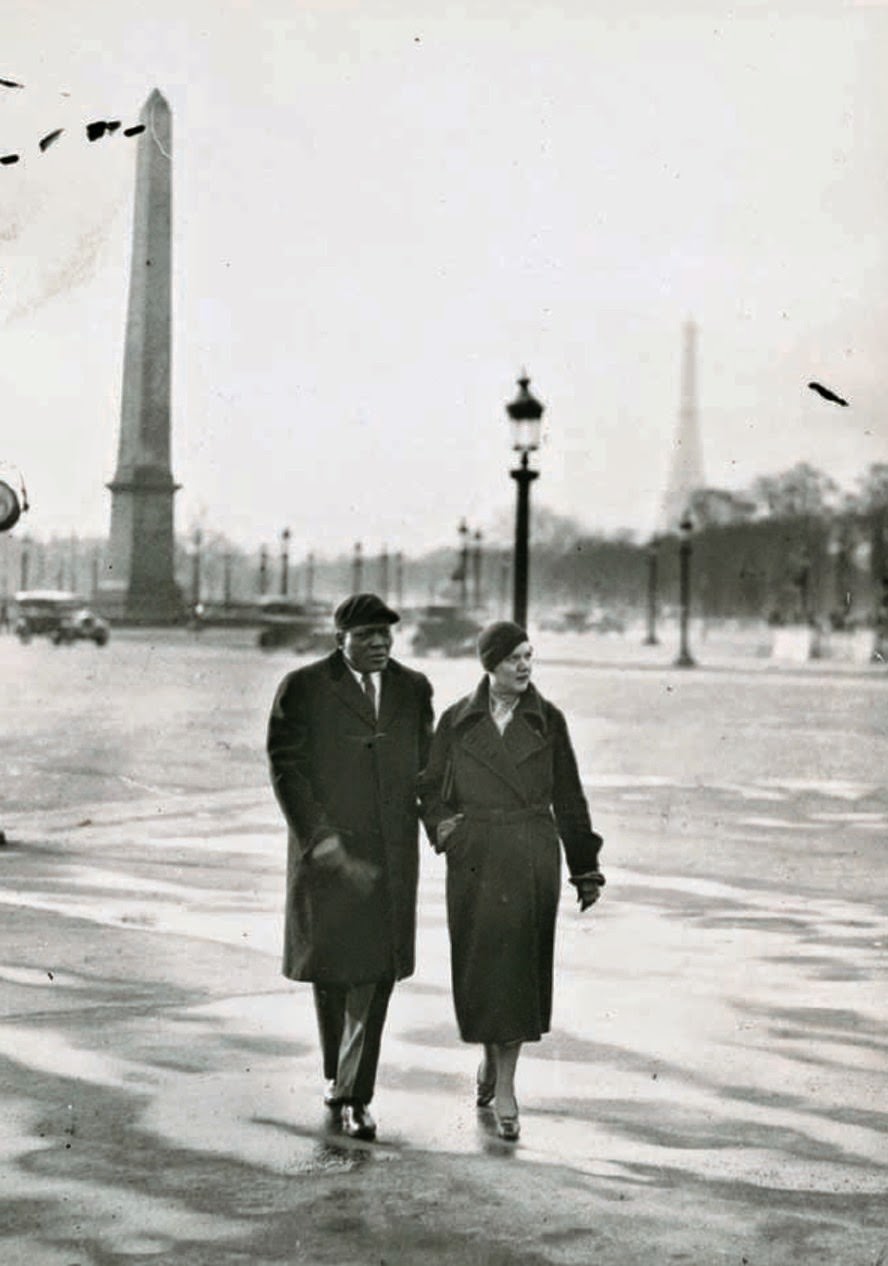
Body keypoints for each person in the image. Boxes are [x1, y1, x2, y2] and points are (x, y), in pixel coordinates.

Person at [419, 620, 604, 1141]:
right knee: (483, 966)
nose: (524, 666)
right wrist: (445, 830)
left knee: (518, 969)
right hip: (475, 854)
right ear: (489, 665)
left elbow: (569, 795)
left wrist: (584, 867)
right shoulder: (457, 720)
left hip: (529, 852)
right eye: (513, 658)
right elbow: (430, 789)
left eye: (529, 656)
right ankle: (490, 1060)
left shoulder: (549, 721)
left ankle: (506, 1087)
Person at [267, 592, 434, 1141]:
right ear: (339, 639)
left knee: (374, 975)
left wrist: (445, 829)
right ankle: (337, 1077)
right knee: (334, 976)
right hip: (329, 856)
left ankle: (354, 1095)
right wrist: (319, 839)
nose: (381, 644)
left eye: (387, 635)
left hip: (390, 858)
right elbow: (286, 766)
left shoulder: (413, 690)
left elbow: (428, 773)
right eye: (367, 636)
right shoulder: (305, 687)